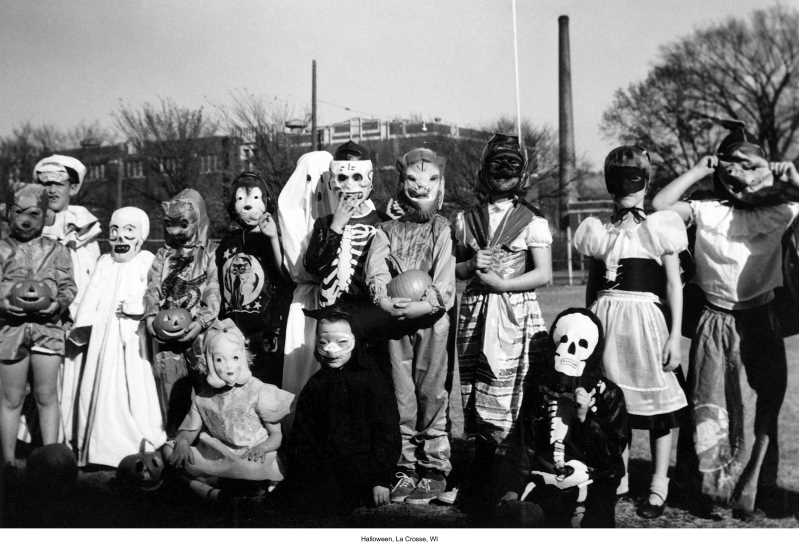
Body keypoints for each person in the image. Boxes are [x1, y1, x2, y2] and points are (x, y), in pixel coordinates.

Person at [652, 122, 798, 518]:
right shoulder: (705, 209)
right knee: (710, 405)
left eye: (752, 169)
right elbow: (659, 206)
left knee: (761, 405)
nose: (743, 178)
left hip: (761, 320)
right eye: (733, 168)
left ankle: (755, 485)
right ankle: (707, 487)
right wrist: (700, 169)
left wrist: (789, 177)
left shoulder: (781, 211)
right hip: (715, 321)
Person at [574, 145, 688, 518]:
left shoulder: (659, 227)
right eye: (619, 178)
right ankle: (618, 476)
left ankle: (658, 483)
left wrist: (674, 336)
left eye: (634, 179)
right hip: (608, 324)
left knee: (656, 410)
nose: (627, 187)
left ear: (645, 183)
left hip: (646, 324)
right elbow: (593, 289)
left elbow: (674, 285)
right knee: (612, 404)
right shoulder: (599, 231)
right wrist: (589, 327)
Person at [454, 133, 553, 507]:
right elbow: (454, 270)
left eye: (512, 164)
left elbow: (543, 274)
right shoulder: (464, 220)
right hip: (476, 312)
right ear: (484, 169)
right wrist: (468, 265)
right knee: (475, 387)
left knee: (511, 388)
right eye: (497, 163)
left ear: (522, 172)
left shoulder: (531, 221)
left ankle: (510, 473)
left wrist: (504, 283)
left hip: (515, 311)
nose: (503, 172)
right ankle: (478, 474)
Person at [365, 147, 455, 504]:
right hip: (395, 323)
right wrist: (385, 302)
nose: (421, 187)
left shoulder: (442, 228)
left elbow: (445, 281)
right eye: (413, 180)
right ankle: (406, 465)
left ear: (441, 183)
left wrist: (423, 306)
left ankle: (435, 466)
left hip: (432, 322)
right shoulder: (385, 230)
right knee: (401, 395)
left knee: (432, 392)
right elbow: (376, 270)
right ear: (401, 182)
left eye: (430, 179)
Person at [497, 308, 628, 527]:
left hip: (591, 479)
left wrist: (585, 418)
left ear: (594, 351)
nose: (570, 351)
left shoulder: (609, 394)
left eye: (582, 345)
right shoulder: (539, 389)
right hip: (544, 476)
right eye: (563, 341)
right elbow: (525, 442)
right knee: (523, 517)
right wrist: (513, 487)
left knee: (594, 521)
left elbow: (611, 456)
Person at [66, 207, 165, 467]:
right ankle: (100, 448)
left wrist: (142, 308)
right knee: (100, 387)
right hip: (103, 339)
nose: (120, 237)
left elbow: (156, 297)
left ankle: (139, 439)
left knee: (135, 387)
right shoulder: (104, 263)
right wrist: (82, 327)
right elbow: (91, 297)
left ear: (141, 235)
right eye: (115, 231)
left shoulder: (147, 261)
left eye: (129, 231)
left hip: (135, 339)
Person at [280, 306, 400, 515]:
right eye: (323, 343)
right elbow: (303, 435)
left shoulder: (372, 381)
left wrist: (380, 479)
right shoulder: (316, 385)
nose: (331, 350)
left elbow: (386, 432)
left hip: (362, 469)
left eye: (342, 342)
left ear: (356, 340)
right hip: (324, 467)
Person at [163, 319, 293, 500]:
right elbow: (189, 431)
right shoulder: (203, 397)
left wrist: (262, 448)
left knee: (250, 467)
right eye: (219, 360)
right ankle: (214, 491)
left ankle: (223, 487)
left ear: (244, 358)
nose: (229, 367)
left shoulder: (258, 390)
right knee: (169, 450)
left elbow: (276, 436)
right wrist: (183, 442)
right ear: (208, 362)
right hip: (219, 453)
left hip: (250, 453)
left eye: (235, 358)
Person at [0, 183, 76, 468]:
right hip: (9, 331)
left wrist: (58, 303)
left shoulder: (57, 250)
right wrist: (3, 302)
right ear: (9, 213)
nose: (26, 219)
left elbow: (69, 286)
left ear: (45, 216)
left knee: (46, 395)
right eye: (19, 212)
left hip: (48, 331)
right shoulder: (2, 249)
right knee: (11, 397)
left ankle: (51, 459)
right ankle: (7, 460)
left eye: (34, 213)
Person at [144, 189, 220, 436]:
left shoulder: (209, 252)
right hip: (166, 337)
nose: (175, 232)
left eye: (182, 224)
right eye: (169, 225)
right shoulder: (163, 255)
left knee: (206, 392)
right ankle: (174, 445)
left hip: (200, 335)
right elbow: (153, 289)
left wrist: (202, 321)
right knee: (171, 393)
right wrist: (149, 317)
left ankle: (205, 449)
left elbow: (212, 290)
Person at [276, 150, 334, 424]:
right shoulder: (292, 215)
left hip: (335, 302)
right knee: (302, 369)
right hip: (305, 302)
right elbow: (300, 267)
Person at [217, 171, 286, 386]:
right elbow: (220, 281)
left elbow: (284, 273)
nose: (247, 205)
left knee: (265, 385)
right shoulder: (228, 241)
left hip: (265, 329)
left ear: (266, 202)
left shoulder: (273, 237)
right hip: (234, 328)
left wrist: (273, 237)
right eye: (240, 199)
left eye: (255, 198)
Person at [32, 155, 100, 318]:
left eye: (59, 184)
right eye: (46, 184)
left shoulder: (84, 229)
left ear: (73, 188)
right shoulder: (28, 227)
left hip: (76, 315)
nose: (52, 191)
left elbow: (90, 279)